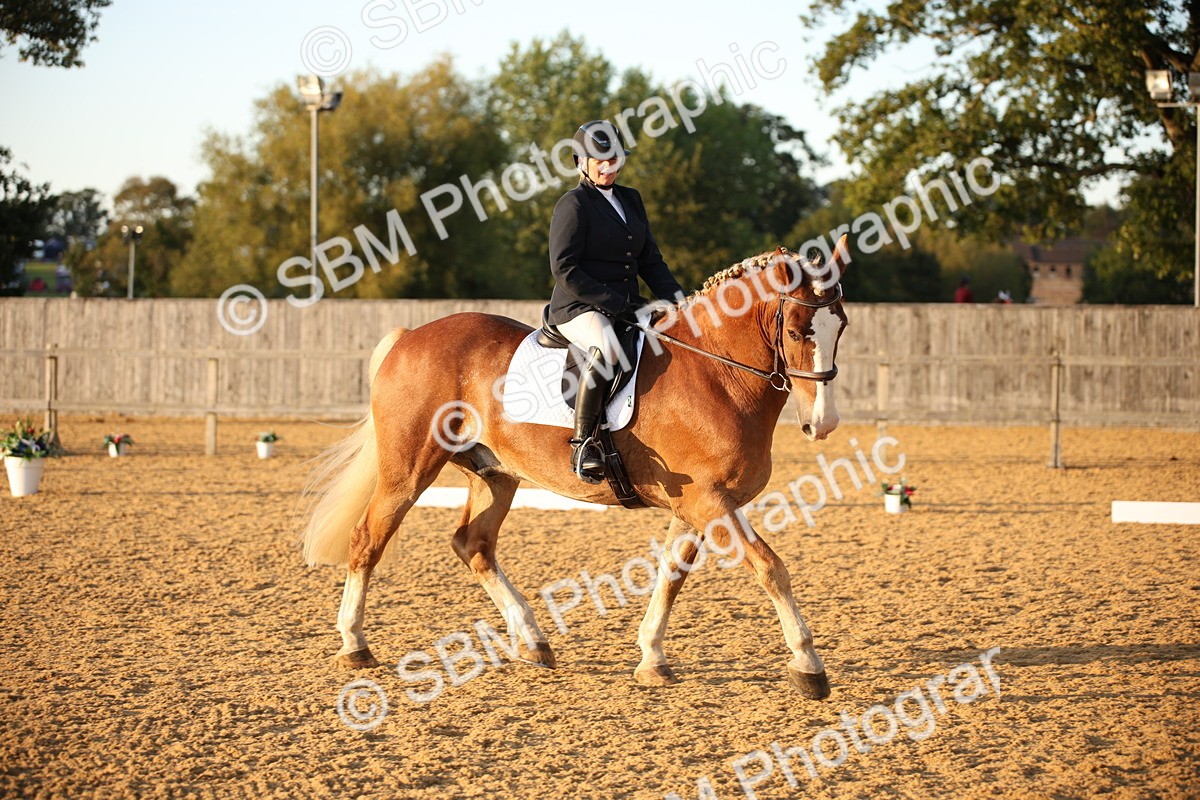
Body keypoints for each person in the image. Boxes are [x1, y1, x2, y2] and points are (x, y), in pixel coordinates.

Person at [547, 120, 685, 483]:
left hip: (626, 305)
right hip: (579, 305)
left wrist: (681, 302)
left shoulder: (631, 198)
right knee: (607, 347)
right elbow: (564, 269)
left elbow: (650, 260)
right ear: (581, 161)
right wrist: (614, 302)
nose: (608, 167)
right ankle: (584, 444)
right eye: (599, 161)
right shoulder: (573, 204)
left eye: (615, 159)